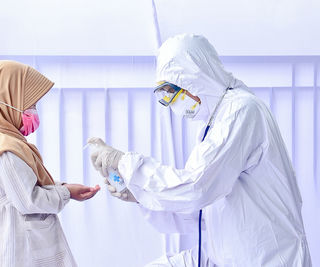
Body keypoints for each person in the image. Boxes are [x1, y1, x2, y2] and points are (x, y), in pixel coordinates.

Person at [88, 34, 312, 266]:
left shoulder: (241, 111)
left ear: (194, 76)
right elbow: (204, 215)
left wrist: (126, 164)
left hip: (268, 259)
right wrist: (139, 196)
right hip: (227, 257)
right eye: (164, 95)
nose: (173, 102)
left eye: (172, 91)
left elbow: (196, 188)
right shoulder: (215, 122)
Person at [0, 60, 100, 267]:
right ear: (8, 100)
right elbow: (29, 200)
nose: (34, 112)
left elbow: (20, 188)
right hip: (19, 250)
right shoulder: (4, 148)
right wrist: (68, 193)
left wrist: (64, 187)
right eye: (30, 105)